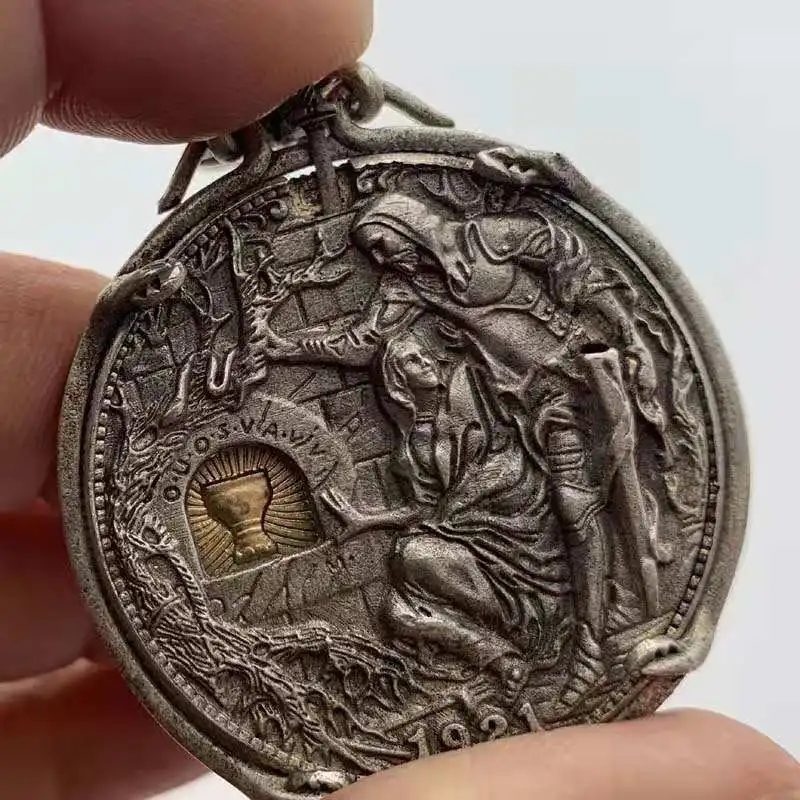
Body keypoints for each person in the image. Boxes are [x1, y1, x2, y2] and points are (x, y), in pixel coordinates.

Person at [0, 2, 797, 799]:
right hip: (506, 463)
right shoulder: (411, 336)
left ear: (414, 236)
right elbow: (359, 347)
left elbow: (569, 253)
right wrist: (281, 347)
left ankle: (590, 643)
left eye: (389, 250)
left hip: (563, 398)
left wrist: (550, 185)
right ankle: (514, 658)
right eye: (379, 256)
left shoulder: (488, 247)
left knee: (582, 515)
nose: (388, 264)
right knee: (422, 576)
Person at [325, 332, 573, 701]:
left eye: (423, 354)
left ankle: (526, 622)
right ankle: (500, 656)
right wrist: (366, 520)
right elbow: (426, 509)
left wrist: (458, 507)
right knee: (398, 603)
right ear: (398, 380)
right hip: (465, 536)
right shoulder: (412, 447)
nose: (426, 361)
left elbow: (508, 463)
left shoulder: (469, 387)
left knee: (412, 562)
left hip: (521, 530)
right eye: (412, 360)